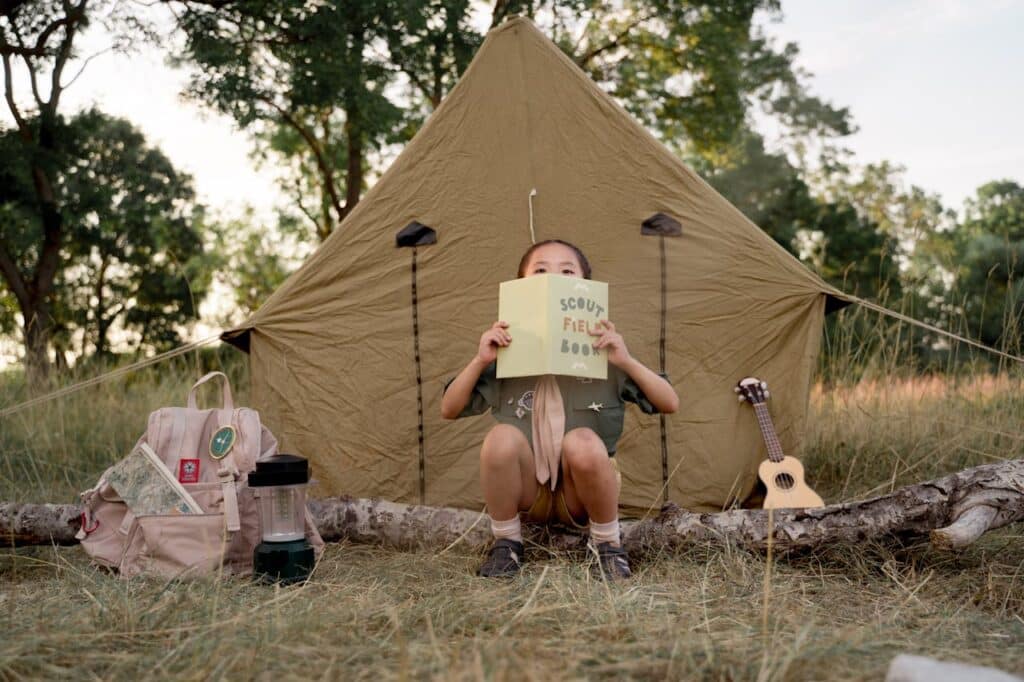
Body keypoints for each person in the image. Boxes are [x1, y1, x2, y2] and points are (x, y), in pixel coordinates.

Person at [441, 239, 679, 579]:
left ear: (585, 287)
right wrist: (481, 360)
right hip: (528, 491)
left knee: (582, 440)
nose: (553, 277)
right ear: (522, 287)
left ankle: (608, 545)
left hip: (581, 493)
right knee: (500, 438)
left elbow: (669, 402)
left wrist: (625, 359)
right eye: (540, 270)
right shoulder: (507, 354)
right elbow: (449, 409)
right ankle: (507, 544)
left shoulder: (603, 353)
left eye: (567, 271)